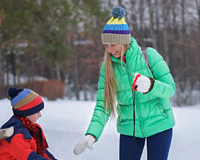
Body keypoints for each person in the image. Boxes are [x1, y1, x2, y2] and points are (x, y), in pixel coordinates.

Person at [73, 6, 176, 160]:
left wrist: (150, 85)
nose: (109, 50)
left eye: (112, 45)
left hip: (159, 124)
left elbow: (170, 89)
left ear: (124, 41)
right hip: (130, 129)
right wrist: (91, 134)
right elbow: (104, 104)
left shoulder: (149, 56)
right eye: (106, 46)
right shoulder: (108, 68)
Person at [0, 87, 57, 160]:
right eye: (37, 112)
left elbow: (42, 152)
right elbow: (30, 157)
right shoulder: (15, 136)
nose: (40, 115)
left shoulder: (32, 130)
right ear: (26, 112)